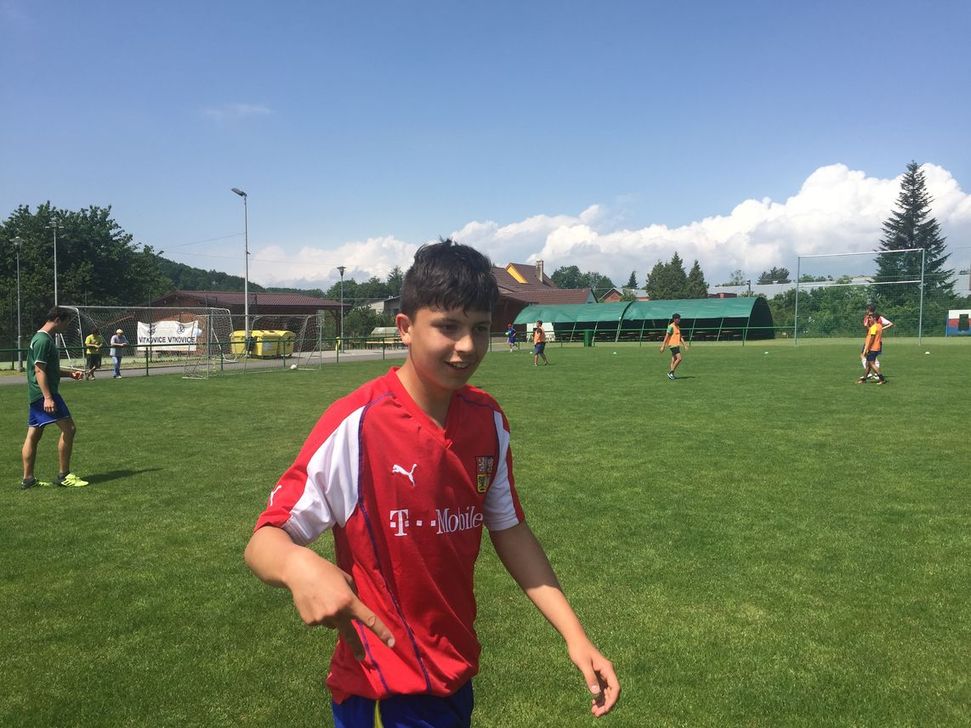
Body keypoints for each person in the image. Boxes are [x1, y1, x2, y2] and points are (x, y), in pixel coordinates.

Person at [244, 240, 619, 726]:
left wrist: (575, 635)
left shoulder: (488, 421)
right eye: (448, 326)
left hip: (455, 677)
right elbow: (264, 541)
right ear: (405, 328)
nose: (467, 346)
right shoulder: (357, 425)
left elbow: (509, 529)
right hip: (384, 691)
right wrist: (297, 565)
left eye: (479, 328)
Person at [21, 306, 89, 489]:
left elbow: (48, 369)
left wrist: (69, 374)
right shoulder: (43, 340)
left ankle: (28, 479)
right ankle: (63, 475)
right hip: (44, 394)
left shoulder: (42, 338)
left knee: (33, 435)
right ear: (58, 319)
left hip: (37, 395)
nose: (66, 327)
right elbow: (39, 370)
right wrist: (48, 397)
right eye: (66, 323)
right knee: (69, 429)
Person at [861, 305, 893, 380]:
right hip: (877, 341)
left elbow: (870, 331)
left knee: (869, 359)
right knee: (870, 360)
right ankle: (867, 376)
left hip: (872, 342)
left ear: (868, 310)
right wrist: (882, 329)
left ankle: (877, 375)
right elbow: (890, 324)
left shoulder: (870, 319)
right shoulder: (879, 319)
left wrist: (867, 348)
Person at [859, 310, 887, 385]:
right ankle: (864, 379)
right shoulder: (879, 326)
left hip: (872, 348)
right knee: (868, 365)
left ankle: (882, 379)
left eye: (870, 318)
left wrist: (867, 348)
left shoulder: (874, 327)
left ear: (874, 318)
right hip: (877, 347)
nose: (869, 319)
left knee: (872, 364)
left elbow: (872, 339)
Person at [659, 313, 687, 380]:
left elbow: (680, 337)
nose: (679, 320)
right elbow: (666, 336)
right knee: (679, 358)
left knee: (673, 360)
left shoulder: (678, 327)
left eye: (679, 319)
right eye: (677, 319)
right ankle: (671, 372)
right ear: (674, 319)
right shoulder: (671, 326)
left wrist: (684, 345)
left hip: (677, 345)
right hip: (672, 345)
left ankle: (672, 375)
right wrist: (663, 346)